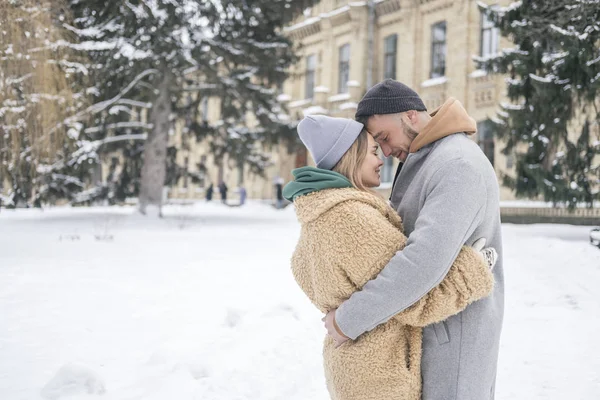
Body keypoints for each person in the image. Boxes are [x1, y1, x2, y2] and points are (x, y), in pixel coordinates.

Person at [283, 114, 498, 400]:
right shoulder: (352, 220)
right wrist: (473, 268)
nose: (382, 158)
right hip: (380, 373)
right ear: (350, 156)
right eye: (373, 150)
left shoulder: (317, 216)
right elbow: (415, 298)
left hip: (351, 367)